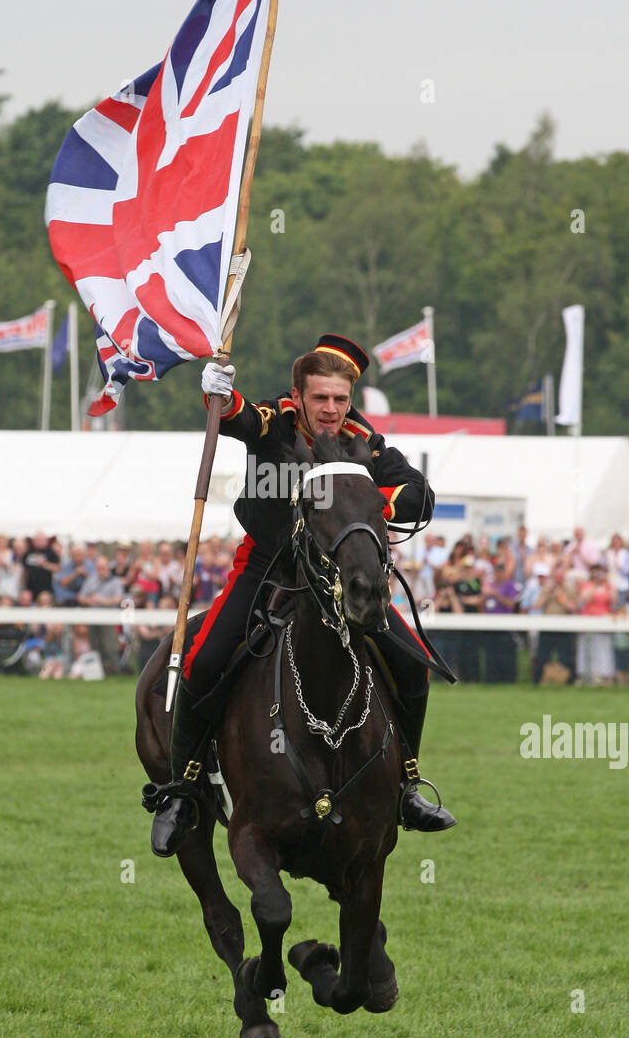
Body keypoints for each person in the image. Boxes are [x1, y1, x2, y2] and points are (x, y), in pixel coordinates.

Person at [149, 332, 457, 857]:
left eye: (340, 399)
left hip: (338, 580)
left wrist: (359, 492)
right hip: (268, 567)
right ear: (299, 395)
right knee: (203, 664)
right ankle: (183, 788)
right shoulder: (276, 422)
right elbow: (240, 418)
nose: (331, 410)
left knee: (413, 664)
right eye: (321, 398)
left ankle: (406, 783)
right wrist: (218, 396)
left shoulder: (366, 443)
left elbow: (418, 496)